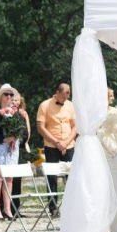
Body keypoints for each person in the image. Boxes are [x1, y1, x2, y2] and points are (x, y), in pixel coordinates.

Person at [37, 83, 76, 216]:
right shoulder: (44, 105)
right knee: (51, 176)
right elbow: (41, 128)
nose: (65, 99)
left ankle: (71, 206)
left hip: (68, 145)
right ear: (57, 92)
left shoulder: (70, 105)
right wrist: (57, 142)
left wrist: (66, 142)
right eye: (63, 97)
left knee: (71, 177)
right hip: (51, 145)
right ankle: (53, 207)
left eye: (67, 97)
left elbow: (75, 126)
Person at [0, 85, 20, 221]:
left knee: (9, 178)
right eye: (6, 94)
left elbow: (21, 129)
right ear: (0, 96)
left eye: (11, 95)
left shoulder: (15, 112)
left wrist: (15, 137)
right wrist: (3, 139)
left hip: (12, 147)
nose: (9, 97)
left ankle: (7, 208)